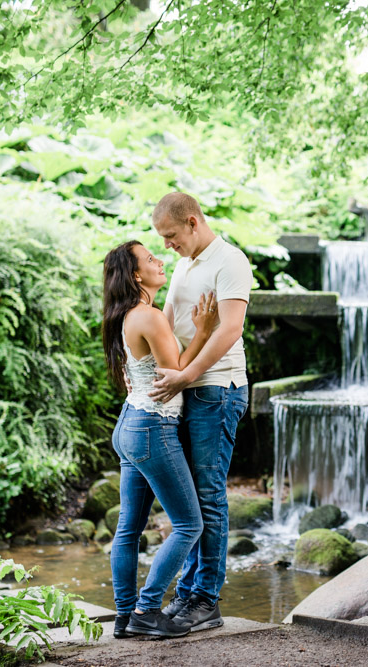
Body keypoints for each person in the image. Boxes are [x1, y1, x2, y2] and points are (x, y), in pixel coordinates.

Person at [101, 240, 219, 639]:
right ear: (136, 275)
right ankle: (147, 610)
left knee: (128, 529)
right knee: (189, 524)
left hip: (130, 425)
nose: (160, 260)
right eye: (150, 259)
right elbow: (177, 372)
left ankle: (124, 617)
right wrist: (204, 332)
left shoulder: (126, 314)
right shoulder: (147, 316)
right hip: (152, 428)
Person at [147, 192, 252, 632]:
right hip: (187, 387)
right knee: (189, 502)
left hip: (217, 391)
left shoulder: (230, 261)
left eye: (171, 236)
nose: (167, 245)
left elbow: (230, 328)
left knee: (208, 497)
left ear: (192, 222)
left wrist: (186, 375)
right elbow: (168, 320)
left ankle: (205, 599)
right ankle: (189, 592)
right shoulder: (186, 263)